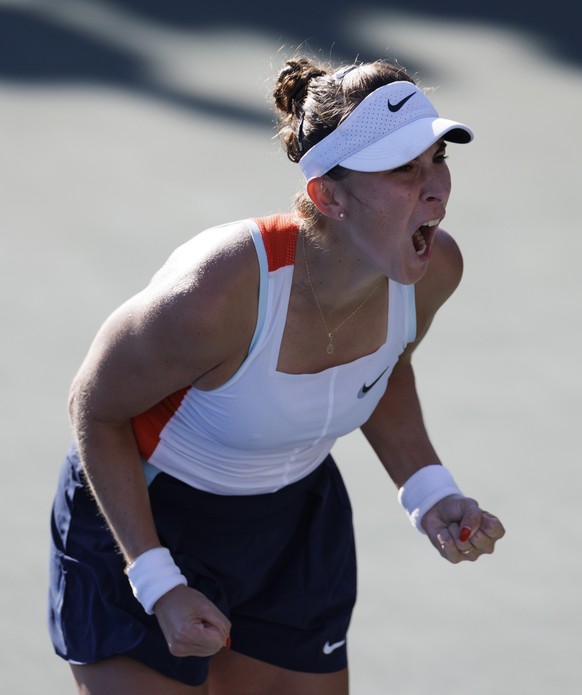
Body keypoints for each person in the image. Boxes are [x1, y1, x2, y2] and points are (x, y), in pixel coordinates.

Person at [48, 55, 505, 694]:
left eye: (439, 161)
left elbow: (385, 367)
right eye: (404, 169)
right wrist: (158, 582)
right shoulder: (220, 290)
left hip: (292, 531)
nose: (436, 190)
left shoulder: (432, 270)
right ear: (329, 195)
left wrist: (430, 492)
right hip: (146, 518)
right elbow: (93, 409)